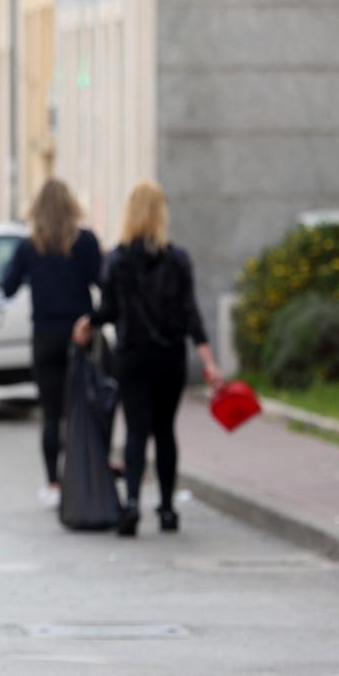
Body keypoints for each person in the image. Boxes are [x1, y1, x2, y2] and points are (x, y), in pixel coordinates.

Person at [73, 180, 222, 537]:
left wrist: (87, 323)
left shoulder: (118, 260)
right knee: (166, 432)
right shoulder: (178, 259)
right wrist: (208, 359)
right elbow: (190, 313)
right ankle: (168, 510)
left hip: (133, 358)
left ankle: (132, 505)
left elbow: (108, 309)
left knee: (137, 431)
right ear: (161, 215)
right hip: (170, 358)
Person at [2, 179, 103, 506]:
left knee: (51, 413)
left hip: (45, 337)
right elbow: (102, 282)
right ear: (71, 205)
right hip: (81, 336)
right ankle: (84, 477)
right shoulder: (85, 241)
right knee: (83, 409)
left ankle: (53, 483)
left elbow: (7, 287)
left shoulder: (29, 246)